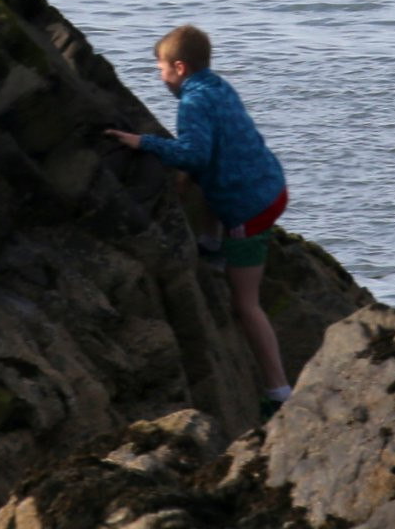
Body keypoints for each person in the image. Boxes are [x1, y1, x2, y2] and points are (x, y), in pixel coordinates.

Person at [105, 25, 294, 414]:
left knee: (246, 304)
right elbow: (210, 150)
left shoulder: (191, 103)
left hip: (249, 209)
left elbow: (194, 155)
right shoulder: (216, 86)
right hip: (270, 183)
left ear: (179, 67)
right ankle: (211, 245)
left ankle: (279, 392)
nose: (159, 77)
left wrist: (144, 143)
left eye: (160, 69)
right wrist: (185, 174)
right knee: (201, 180)